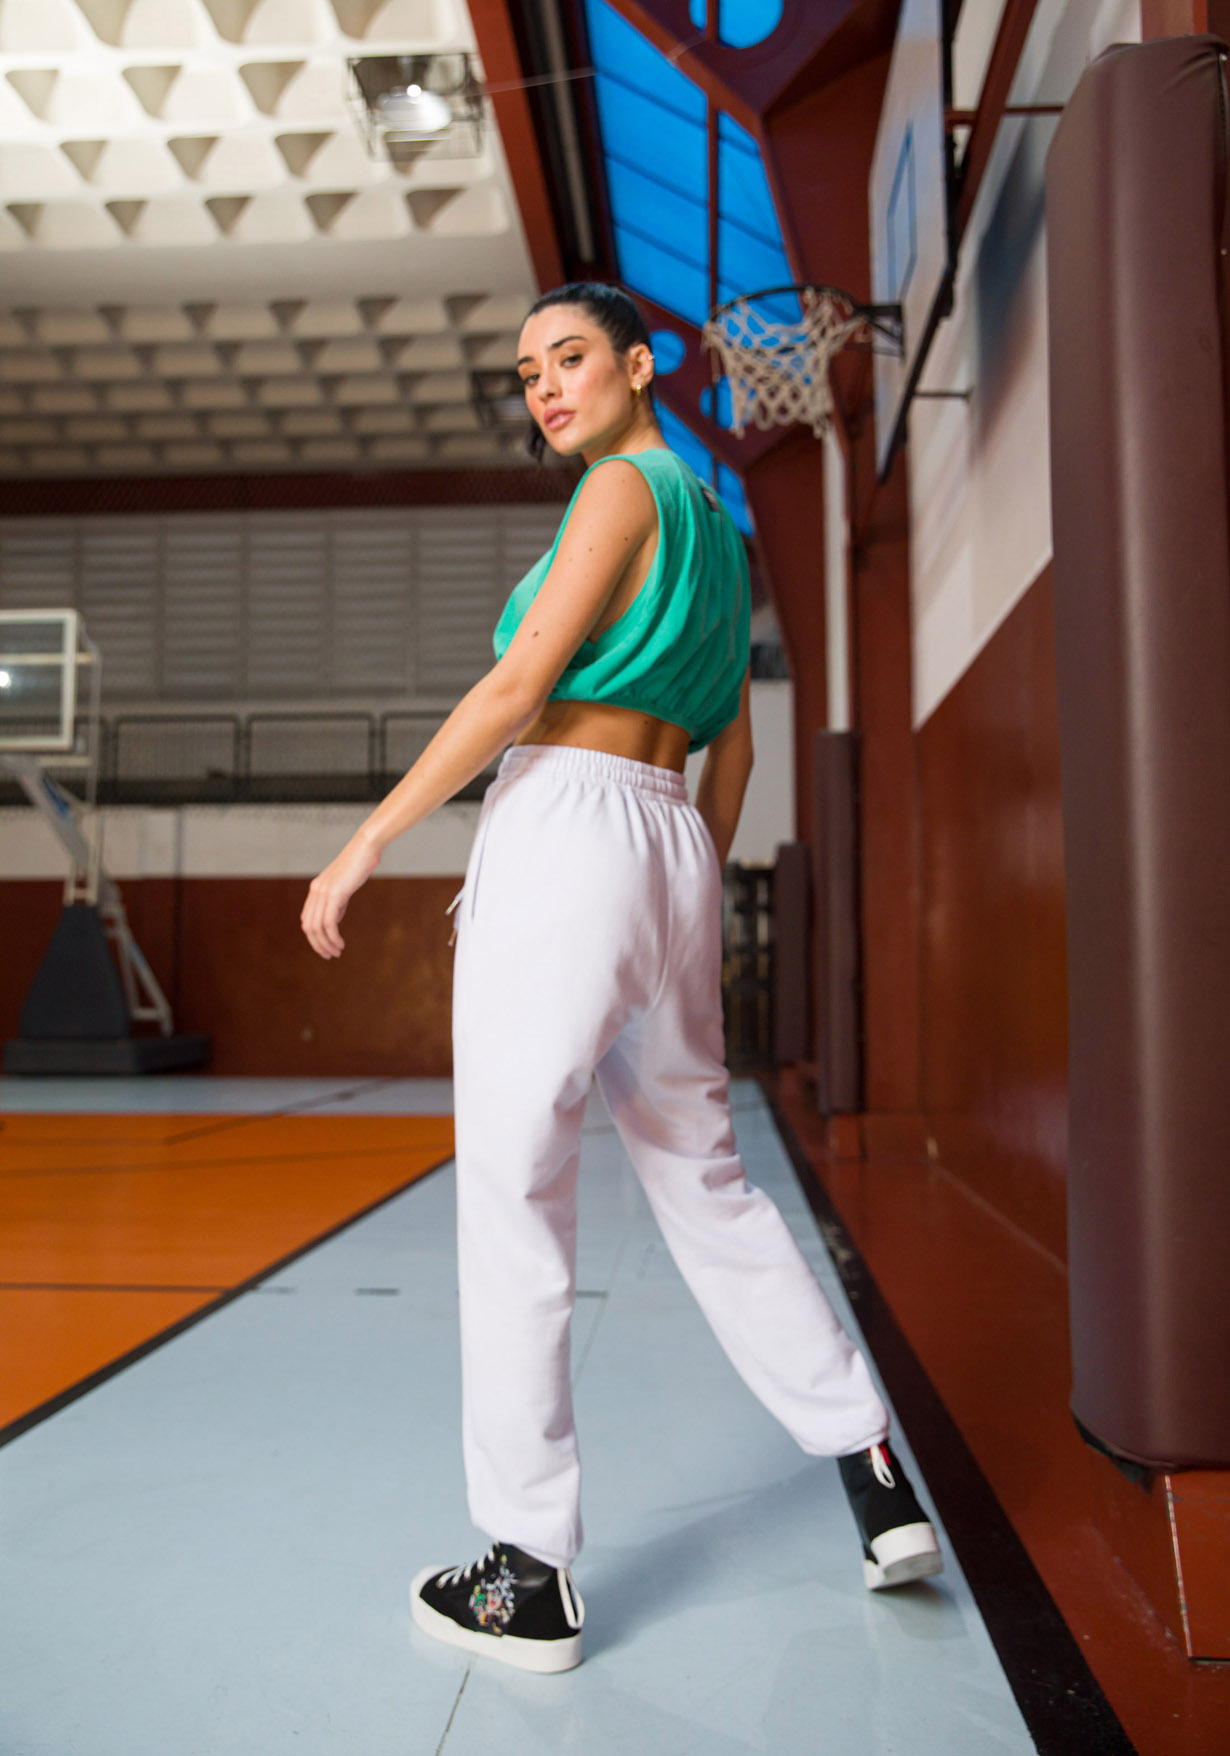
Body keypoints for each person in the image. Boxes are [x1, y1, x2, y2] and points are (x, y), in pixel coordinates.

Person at [300, 281, 942, 1676]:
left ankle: (525, 1573)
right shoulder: (715, 524)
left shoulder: (615, 491)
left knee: (514, 1192)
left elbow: (518, 689)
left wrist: (366, 839)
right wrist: (680, 885)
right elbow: (736, 747)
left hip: (570, 827)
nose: (545, 386)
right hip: (670, 846)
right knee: (709, 1182)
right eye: (528, 369)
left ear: (641, 366)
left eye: (570, 356)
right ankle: (873, 1466)